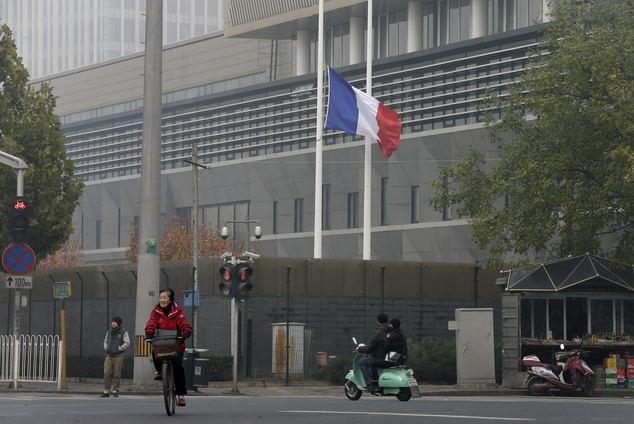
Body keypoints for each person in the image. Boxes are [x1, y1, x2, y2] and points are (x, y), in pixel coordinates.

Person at [145, 288, 192, 407]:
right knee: (154, 349)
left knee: (178, 369)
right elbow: (151, 322)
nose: (162, 300)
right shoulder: (156, 311)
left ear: (171, 300)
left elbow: (183, 322)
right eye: (160, 297)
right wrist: (149, 333)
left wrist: (186, 332)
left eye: (165, 297)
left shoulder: (178, 311)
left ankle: (181, 395)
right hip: (162, 343)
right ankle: (159, 371)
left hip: (176, 344)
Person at [356, 313, 389, 390]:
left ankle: (369, 383)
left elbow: (370, 348)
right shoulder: (390, 331)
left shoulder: (378, 332)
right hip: (390, 357)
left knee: (362, 362)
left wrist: (359, 349)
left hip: (380, 357)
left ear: (378, 322)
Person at [101, 316, 130, 397]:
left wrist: (119, 348)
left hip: (119, 356)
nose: (113, 323)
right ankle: (106, 391)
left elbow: (127, 343)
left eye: (115, 322)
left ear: (119, 323)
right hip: (109, 355)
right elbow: (105, 341)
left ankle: (115, 390)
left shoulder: (124, 332)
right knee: (106, 373)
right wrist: (106, 348)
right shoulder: (109, 331)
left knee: (117, 374)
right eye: (112, 322)